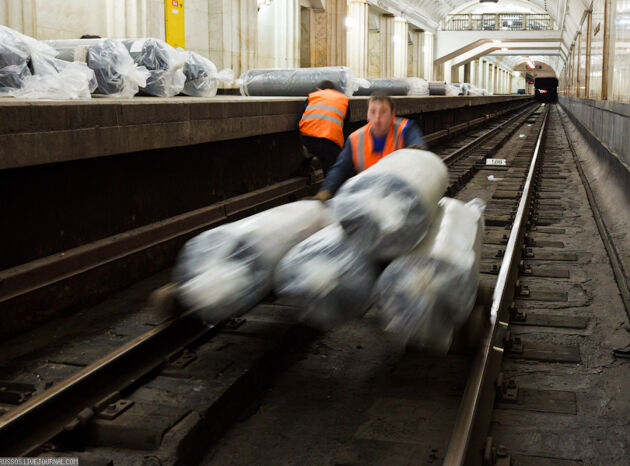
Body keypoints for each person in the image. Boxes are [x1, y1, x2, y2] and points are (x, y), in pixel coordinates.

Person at [312, 93, 427, 202]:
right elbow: (339, 169)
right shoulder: (356, 139)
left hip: (400, 194)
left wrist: (418, 153)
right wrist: (325, 191)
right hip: (369, 196)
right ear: (367, 115)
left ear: (392, 115)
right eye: (372, 112)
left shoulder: (405, 129)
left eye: (383, 112)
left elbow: (417, 147)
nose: (377, 118)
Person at [299, 80, 351, 175]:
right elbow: (345, 127)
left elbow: (299, 120)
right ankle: (329, 186)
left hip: (308, 140)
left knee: (311, 148)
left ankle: (305, 165)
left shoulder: (312, 96)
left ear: (319, 89)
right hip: (330, 143)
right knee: (331, 172)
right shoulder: (343, 99)